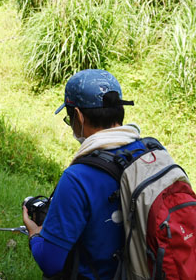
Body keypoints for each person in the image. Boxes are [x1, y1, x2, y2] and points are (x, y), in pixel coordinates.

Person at [23, 69, 143, 279]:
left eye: (70, 119)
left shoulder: (78, 178)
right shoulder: (148, 154)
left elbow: (50, 262)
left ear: (78, 116)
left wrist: (35, 235)